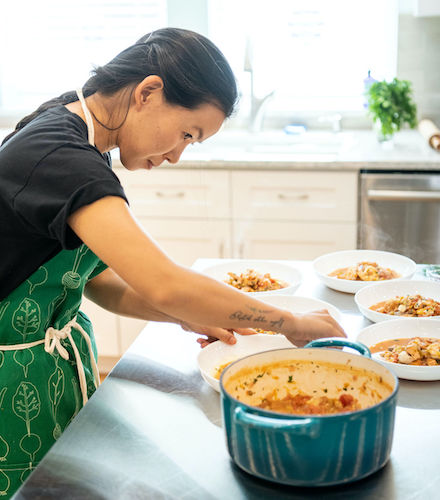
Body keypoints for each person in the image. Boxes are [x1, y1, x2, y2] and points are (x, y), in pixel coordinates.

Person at [0, 27, 345, 498]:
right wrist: (290, 323)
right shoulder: (60, 155)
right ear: (148, 92)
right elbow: (163, 283)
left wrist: (197, 312)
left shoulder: (76, 138)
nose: (178, 155)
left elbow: (103, 283)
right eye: (187, 133)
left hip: (42, 369)